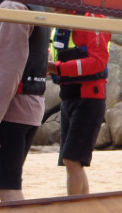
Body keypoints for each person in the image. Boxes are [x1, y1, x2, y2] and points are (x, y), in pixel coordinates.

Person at [0, 0, 50, 201]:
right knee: (8, 182)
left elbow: (5, 68)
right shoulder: (35, 6)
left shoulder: (12, 7)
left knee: (7, 186)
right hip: (31, 107)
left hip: (11, 110)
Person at [48, 12, 111, 195]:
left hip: (89, 98)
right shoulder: (61, 23)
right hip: (68, 97)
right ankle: (81, 206)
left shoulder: (93, 21)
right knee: (72, 162)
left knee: (72, 160)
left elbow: (98, 62)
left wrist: (57, 68)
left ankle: (75, 208)